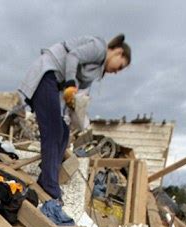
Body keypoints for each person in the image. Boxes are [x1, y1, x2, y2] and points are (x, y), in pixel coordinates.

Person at [19, 34, 131, 202]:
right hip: (46, 74)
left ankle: (46, 178)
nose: (116, 71)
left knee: (63, 132)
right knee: (53, 131)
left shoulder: (95, 72)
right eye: (120, 66)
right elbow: (73, 56)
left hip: (54, 86)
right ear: (118, 52)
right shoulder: (99, 48)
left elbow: (76, 98)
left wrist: (77, 115)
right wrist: (70, 83)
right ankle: (50, 189)